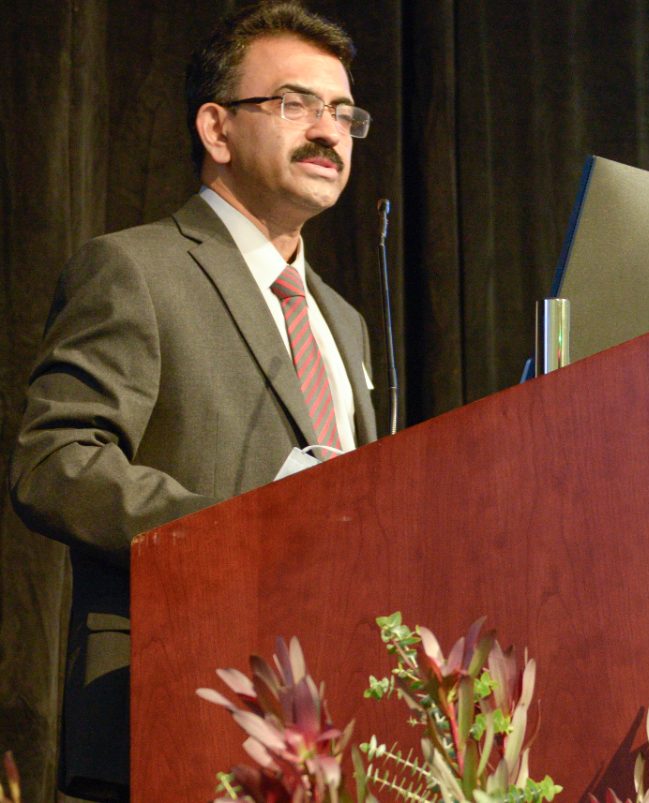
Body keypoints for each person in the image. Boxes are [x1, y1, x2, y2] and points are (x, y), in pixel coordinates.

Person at [7, 3, 377, 798]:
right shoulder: (135, 270)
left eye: (343, 112)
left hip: (332, 733)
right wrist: (243, 529)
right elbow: (55, 464)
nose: (329, 130)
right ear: (216, 130)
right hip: (173, 705)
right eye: (296, 104)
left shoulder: (342, 320)